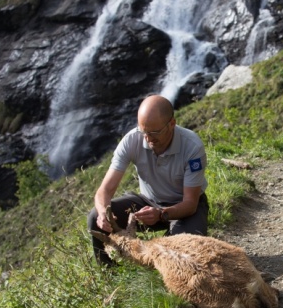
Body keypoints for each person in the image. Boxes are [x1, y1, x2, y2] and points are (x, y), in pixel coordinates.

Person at [88, 94, 209, 265]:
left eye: (154, 133)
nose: (148, 138)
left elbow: (190, 203)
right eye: (144, 131)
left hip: (185, 208)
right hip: (148, 203)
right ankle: (108, 270)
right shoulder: (132, 140)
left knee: (184, 253)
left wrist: (161, 214)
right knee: (94, 217)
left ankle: (168, 247)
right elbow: (105, 190)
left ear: (172, 124)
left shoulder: (192, 146)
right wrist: (102, 213)